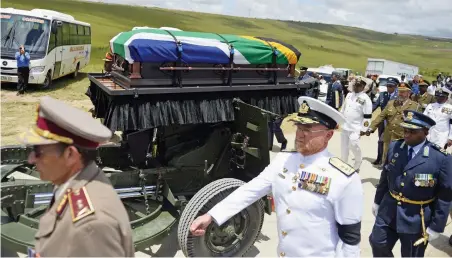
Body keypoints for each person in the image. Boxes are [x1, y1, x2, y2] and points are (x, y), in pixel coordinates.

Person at [189, 97, 363, 257]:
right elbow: (249, 191)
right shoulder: (284, 160)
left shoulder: (343, 178)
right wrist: (212, 215)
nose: (300, 134)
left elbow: (350, 239)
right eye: (299, 127)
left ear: (328, 135)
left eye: (308, 129)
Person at [20, 96, 135, 257]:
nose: (31, 159)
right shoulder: (71, 182)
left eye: (39, 151)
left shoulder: (91, 227)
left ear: (70, 155)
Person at [369, 110, 452, 257]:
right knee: (377, 242)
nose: (406, 135)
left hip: (416, 218)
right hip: (388, 210)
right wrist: (377, 201)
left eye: (412, 132)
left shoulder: (441, 159)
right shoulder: (395, 147)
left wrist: (436, 226)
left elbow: (445, 195)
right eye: (405, 130)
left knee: (412, 254)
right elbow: (385, 177)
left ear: (426, 132)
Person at [364, 82, 421, 167]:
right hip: (389, 137)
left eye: (403, 92)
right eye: (399, 91)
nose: (400, 94)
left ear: (408, 93)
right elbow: (381, 116)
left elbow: (418, 124)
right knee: (386, 161)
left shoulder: (415, 106)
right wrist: (371, 128)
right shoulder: (391, 103)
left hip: (403, 138)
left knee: (398, 163)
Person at [340, 78, 372, 170]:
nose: (355, 87)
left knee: (353, 145)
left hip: (356, 128)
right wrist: (339, 121)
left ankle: (358, 162)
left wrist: (364, 129)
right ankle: (343, 164)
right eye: (355, 85)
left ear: (363, 87)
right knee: (344, 147)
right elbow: (343, 109)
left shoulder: (366, 99)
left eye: (358, 85)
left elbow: (367, 116)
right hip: (345, 126)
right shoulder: (349, 95)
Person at [371, 77, 399, 166]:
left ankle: (388, 161)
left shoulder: (398, 96)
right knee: (380, 140)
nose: (388, 88)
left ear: (395, 87)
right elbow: (375, 105)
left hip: (392, 122)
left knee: (390, 142)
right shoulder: (383, 95)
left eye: (391, 86)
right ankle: (379, 158)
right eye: (387, 86)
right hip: (382, 122)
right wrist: (366, 113)